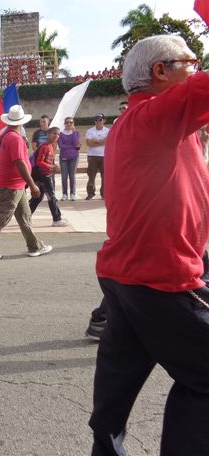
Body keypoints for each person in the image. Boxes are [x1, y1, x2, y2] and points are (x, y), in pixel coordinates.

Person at [88, 34, 209, 456]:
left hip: (131, 273)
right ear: (161, 71)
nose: (196, 68)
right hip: (160, 276)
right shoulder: (153, 116)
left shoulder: (148, 121)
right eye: (190, 62)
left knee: (116, 388)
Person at [0, 105, 52, 260]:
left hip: (14, 185)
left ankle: (34, 246)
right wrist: (31, 184)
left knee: (25, 217)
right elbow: (19, 162)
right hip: (11, 186)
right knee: (2, 217)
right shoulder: (14, 138)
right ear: (21, 122)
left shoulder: (6, 135)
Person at [29, 127, 67, 227]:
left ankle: (26, 217)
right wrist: (52, 166)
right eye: (54, 133)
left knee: (37, 198)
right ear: (48, 134)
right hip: (42, 176)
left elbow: (47, 161)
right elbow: (39, 162)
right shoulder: (45, 147)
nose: (56, 136)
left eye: (58, 134)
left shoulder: (51, 146)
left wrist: (53, 166)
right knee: (51, 197)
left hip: (44, 175)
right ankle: (57, 219)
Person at [85, 113, 108, 200]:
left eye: (100, 120)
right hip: (92, 156)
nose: (98, 121)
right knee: (91, 176)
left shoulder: (108, 131)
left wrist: (95, 141)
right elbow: (88, 143)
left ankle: (104, 193)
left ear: (104, 120)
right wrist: (101, 141)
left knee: (105, 176)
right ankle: (90, 193)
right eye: (96, 120)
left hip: (104, 155)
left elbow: (108, 142)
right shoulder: (90, 131)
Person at [57, 117, 80, 201]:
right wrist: (73, 147)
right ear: (64, 123)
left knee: (72, 176)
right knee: (64, 176)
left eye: (71, 122)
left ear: (73, 123)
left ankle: (73, 193)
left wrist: (73, 133)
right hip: (63, 157)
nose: (69, 124)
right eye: (67, 122)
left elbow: (77, 143)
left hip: (74, 157)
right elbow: (61, 146)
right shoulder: (61, 133)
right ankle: (64, 194)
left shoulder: (76, 133)